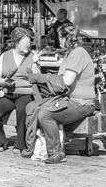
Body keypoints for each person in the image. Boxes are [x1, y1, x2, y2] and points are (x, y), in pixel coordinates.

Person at [23, 26, 98, 164]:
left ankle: (56, 152)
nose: (57, 40)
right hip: (69, 100)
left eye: (58, 37)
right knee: (32, 106)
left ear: (65, 38)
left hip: (82, 103)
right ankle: (30, 146)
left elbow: (67, 80)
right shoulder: (70, 54)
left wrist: (45, 78)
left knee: (45, 114)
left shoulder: (78, 53)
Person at [0, 27, 38, 152]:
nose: (29, 45)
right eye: (26, 43)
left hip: (26, 92)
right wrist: (5, 82)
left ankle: (20, 144)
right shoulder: (5, 56)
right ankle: (1, 141)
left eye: (29, 42)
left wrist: (36, 64)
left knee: (22, 110)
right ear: (16, 43)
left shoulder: (32, 56)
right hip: (8, 92)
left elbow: (37, 79)